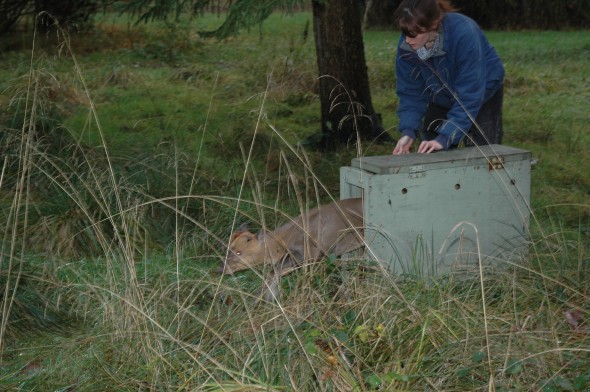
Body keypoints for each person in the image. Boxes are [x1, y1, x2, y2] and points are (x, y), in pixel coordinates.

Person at [392, 0, 505, 155]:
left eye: (413, 35)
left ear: (432, 25)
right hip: (439, 94)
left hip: (483, 91)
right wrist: (408, 131)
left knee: (483, 152)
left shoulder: (464, 33)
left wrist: (446, 137)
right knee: (430, 148)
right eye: (404, 33)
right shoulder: (407, 47)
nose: (407, 40)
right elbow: (410, 92)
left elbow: (470, 93)